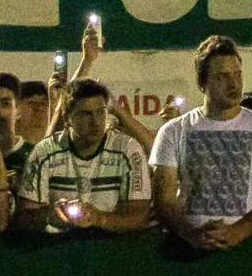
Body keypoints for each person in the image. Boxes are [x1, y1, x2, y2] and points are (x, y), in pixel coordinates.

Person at [149, 36, 252, 249]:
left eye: (238, 74)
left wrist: (237, 232)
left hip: (250, 248)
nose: (234, 83)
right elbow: (164, 201)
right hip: (188, 250)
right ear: (202, 83)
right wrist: (192, 235)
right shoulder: (173, 131)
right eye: (223, 76)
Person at [16, 79, 152, 234]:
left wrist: (99, 219)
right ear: (67, 118)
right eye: (85, 114)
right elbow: (23, 218)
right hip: (58, 247)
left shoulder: (127, 148)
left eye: (100, 112)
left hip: (111, 246)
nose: (95, 122)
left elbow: (140, 215)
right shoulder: (45, 151)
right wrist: (50, 215)